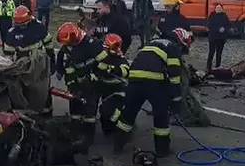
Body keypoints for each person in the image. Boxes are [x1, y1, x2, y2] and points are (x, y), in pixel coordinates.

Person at [113, 27, 191, 158]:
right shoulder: (172, 47)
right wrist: (176, 98)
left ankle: (118, 144)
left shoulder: (152, 42)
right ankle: (162, 149)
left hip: (134, 79)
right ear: (180, 41)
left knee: (129, 112)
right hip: (154, 82)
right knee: (161, 115)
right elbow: (174, 74)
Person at [56, 22, 109, 150]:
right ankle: (75, 133)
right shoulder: (65, 50)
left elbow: (105, 63)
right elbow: (67, 70)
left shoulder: (93, 44)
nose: (68, 46)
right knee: (75, 109)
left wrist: (94, 77)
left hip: (92, 83)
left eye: (70, 43)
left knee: (89, 112)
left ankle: (88, 137)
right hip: (76, 84)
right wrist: (72, 86)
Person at [3, 5, 55, 115]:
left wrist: (51, 59)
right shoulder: (12, 32)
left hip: (39, 59)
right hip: (22, 60)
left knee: (42, 87)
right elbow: (8, 52)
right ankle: (28, 111)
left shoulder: (38, 27)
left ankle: (46, 111)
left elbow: (49, 42)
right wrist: (9, 66)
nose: (21, 26)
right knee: (23, 85)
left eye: (23, 23)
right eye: (19, 24)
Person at [98, 33, 129, 135]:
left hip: (119, 92)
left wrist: (110, 69)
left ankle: (123, 123)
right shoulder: (102, 57)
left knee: (109, 111)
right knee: (106, 127)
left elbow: (125, 71)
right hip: (106, 91)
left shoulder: (121, 59)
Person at [206, 3, 231, 71]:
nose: (218, 9)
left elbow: (228, 25)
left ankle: (217, 67)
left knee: (219, 54)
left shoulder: (225, 16)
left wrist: (224, 29)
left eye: (220, 8)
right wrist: (218, 29)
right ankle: (208, 67)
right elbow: (209, 25)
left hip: (221, 38)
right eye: (217, 8)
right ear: (215, 9)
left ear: (222, 9)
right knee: (211, 53)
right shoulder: (212, 15)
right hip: (213, 37)